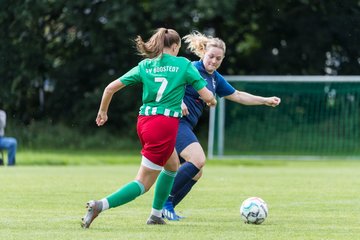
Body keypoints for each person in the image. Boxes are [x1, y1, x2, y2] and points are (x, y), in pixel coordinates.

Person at [81, 28, 217, 228]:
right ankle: (100, 205)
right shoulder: (184, 64)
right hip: (164, 126)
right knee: (143, 182)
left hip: (145, 123)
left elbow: (110, 88)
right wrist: (212, 100)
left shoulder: (145, 65)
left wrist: (103, 112)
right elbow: (207, 97)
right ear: (175, 46)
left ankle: (155, 215)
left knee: (172, 166)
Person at [162, 31, 281, 220]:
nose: (214, 61)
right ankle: (164, 201)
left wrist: (265, 100)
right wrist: (178, 102)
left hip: (185, 126)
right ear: (203, 53)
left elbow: (238, 95)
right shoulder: (190, 67)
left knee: (197, 172)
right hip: (174, 122)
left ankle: (167, 208)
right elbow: (167, 85)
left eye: (218, 58)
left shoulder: (215, 78)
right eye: (211, 56)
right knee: (198, 159)